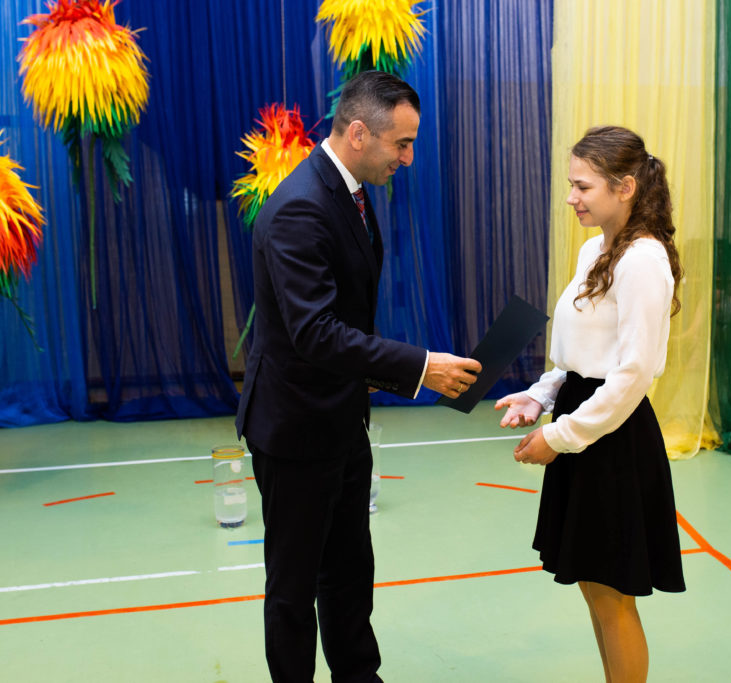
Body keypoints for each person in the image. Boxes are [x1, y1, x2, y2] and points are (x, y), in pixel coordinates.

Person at [235, 69, 481, 683]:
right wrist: (421, 367)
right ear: (358, 133)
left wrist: (372, 375)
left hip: (341, 418)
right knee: (294, 588)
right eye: (402, 143)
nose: (409, 157)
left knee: (348, 572)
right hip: (295, 428)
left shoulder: (348, 193)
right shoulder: (300, 207)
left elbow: (340, 321)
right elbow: (315, 332)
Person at [495, 125, 686, 683]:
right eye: (571, 185)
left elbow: (631, 376)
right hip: (583, 414)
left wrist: (560, 438)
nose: (571, 198)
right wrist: (541, 395)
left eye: (583, 187)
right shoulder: (594, 249)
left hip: (611, 435)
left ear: (625, 187)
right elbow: (581, 352)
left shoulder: (642, 260)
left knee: (612, 596)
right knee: (593, 587)